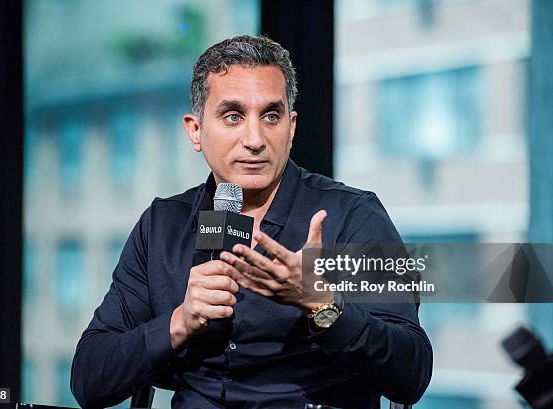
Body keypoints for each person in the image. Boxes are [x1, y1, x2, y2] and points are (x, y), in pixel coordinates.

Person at [70, 35, 433, 409]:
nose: (255, 139)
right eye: (233, 116)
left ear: (291, 128)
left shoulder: (352, 215)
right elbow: (89, 380)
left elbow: (412, 373)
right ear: (195, 131)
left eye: (271, 116)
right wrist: (179, 321)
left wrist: (323, 304)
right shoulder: (162, 226)